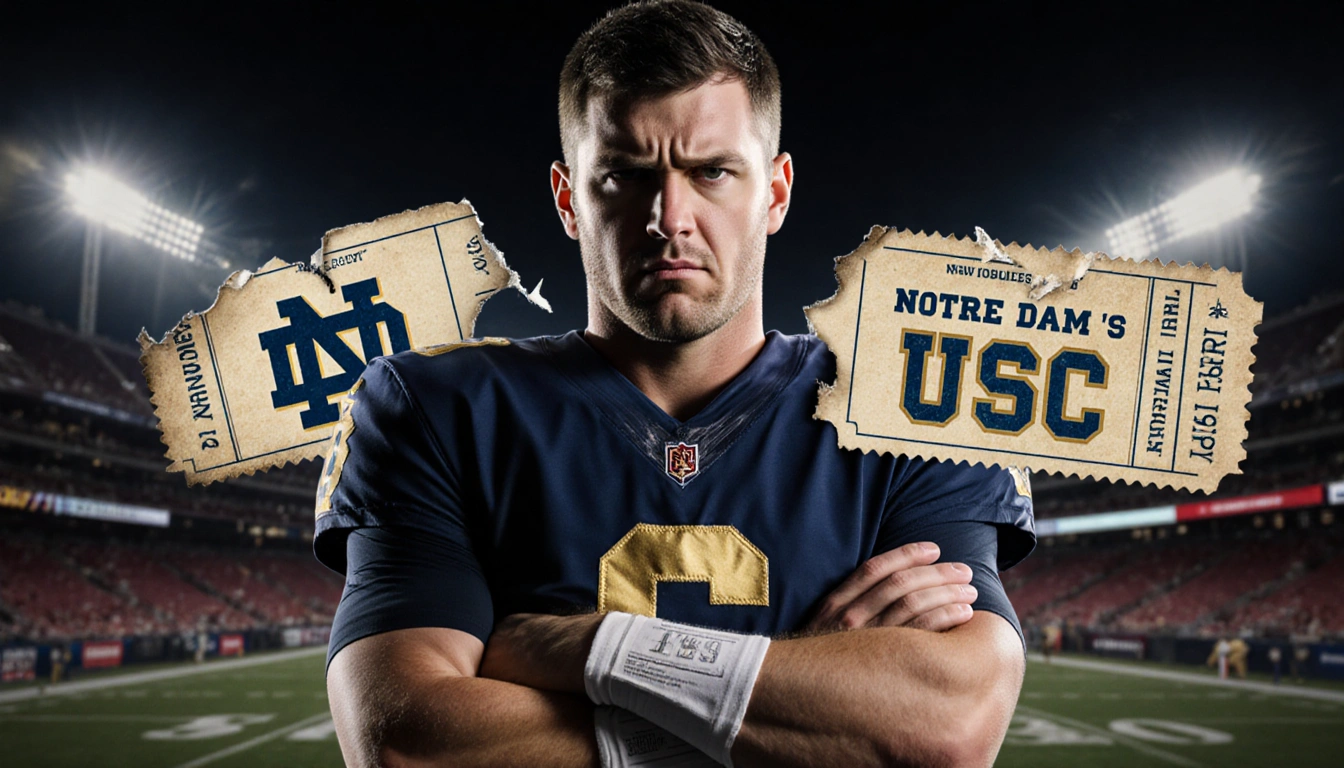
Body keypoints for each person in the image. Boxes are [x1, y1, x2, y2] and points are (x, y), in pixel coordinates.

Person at [317, 2, 1035, 766]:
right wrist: (808, 705)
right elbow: (406, 745)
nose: (670, 216)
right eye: (626, 175)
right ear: (569, 199)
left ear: (776, 191)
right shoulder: (430, 408)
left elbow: (947, 727)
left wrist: (592, 649)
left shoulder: (913, 402)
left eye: (713, 171)